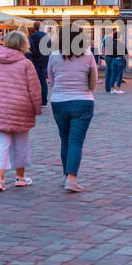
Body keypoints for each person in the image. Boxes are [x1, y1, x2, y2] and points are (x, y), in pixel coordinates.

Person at [0, 29, 43, 191]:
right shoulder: (26, 64)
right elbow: (35, 90)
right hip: (20, 108)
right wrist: (37, 109)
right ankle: (20, 177)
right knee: (21, 144)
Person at [47, 22, 97, 193]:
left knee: (65, 140)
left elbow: (51, 79)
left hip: (59, 101)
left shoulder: (54, 55)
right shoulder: (88, 54)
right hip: (83, 100)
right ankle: (72, 179)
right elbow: (94, 80)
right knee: (76, 141)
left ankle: (65, 176)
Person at [27, 21, 51, 104]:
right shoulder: (46, 36)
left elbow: (31, 49)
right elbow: (49, 48)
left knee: (36, 81)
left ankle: (36, 100)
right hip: (44, 61)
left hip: (35, 61)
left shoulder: (32, 36)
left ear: (34, 27)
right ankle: (44, 100)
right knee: (43, 80)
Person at [103, 26, 126, 94]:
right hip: (116, 59)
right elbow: (123, 54)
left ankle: (110, 88)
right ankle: (116, 88)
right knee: (118, 74)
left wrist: (105, 55)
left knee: (110, 73)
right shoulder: (120, 43)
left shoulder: (107, 40)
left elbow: (104, 49)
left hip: (110, 58)